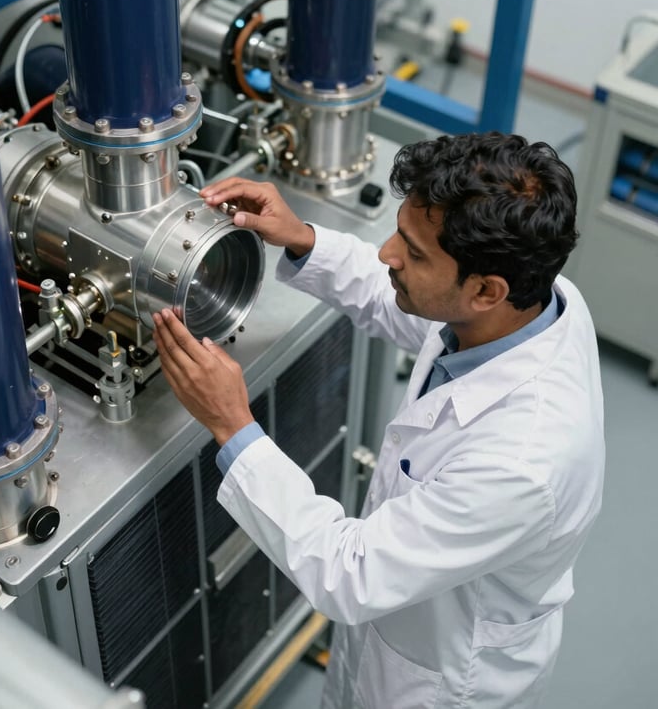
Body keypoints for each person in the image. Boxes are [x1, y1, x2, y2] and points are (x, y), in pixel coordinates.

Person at [152, 131, 605, 709]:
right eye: (400, 233)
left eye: (413, 252)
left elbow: (351, 575)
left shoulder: (522, 463)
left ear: (487, 291)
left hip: (440, 681)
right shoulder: (533, 300)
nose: (388, 253)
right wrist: (304, 241)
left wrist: (234, 427)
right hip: (396, 632)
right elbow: (405, 302)